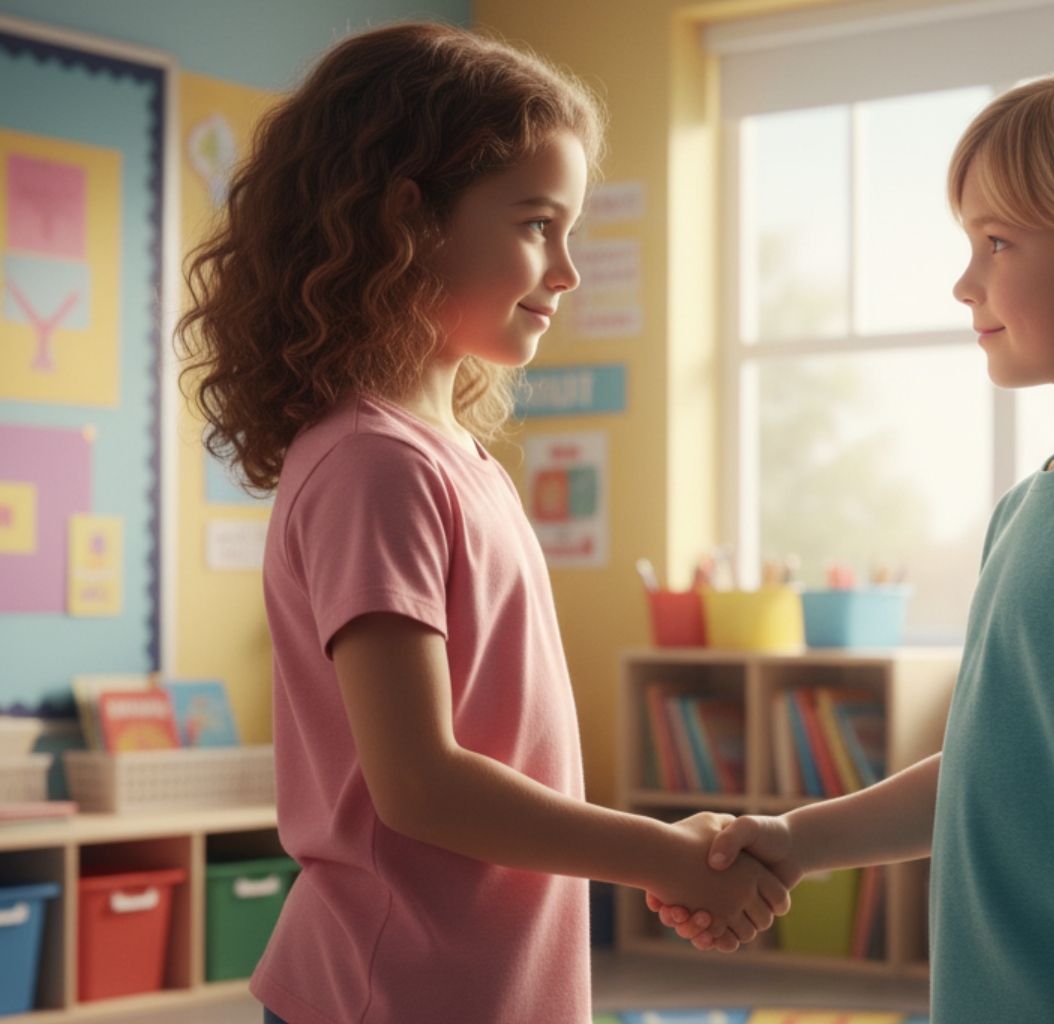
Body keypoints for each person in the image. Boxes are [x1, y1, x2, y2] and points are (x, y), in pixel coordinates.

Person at [177, 23, 787, 1024]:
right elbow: (419, 782)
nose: (568, 270)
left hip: (480, 982)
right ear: (405, 220)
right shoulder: (374, 464)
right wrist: (664, 852)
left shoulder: (449, 456)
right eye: (538, 224)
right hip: (395, 990)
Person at [652, 61, 1054, 1024]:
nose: (963, 281)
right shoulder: (1035, 502)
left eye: (997, 242)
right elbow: (995, 767)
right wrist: (796, 839)